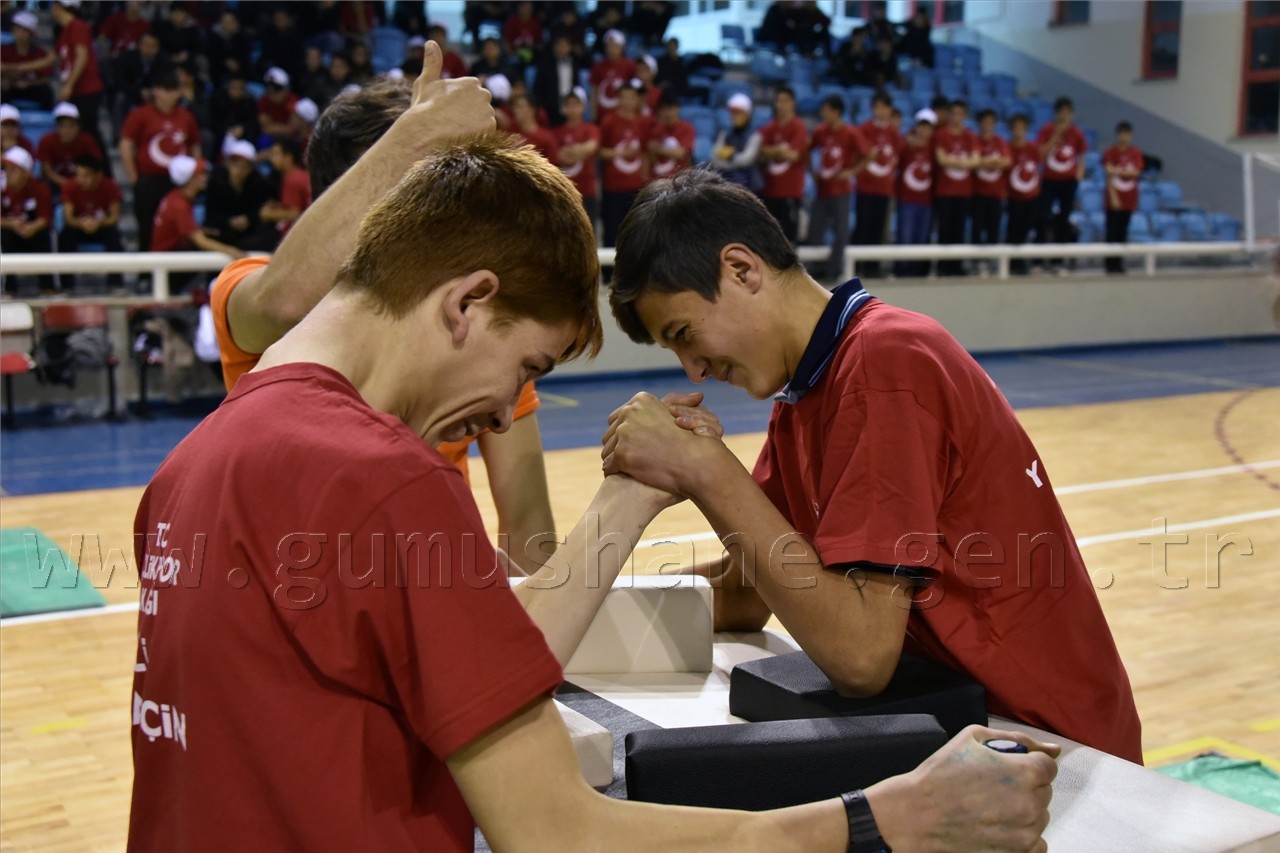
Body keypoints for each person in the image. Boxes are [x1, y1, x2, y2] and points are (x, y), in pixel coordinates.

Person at [131, 130, 1059, 853]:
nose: (506, 407)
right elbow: (559, 829)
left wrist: (630, 503)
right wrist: (877, 818)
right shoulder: (384, 479)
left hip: (1033, 727)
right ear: (467, 302)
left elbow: (456, 650)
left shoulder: (191, 463)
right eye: (527, 365)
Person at [604, 167, 1143, 763]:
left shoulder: (887, 360)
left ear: (741, 269)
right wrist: (573, 606)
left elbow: (861, 656)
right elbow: (745, 594)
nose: (693, 371)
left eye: (684, 334)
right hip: (971, 727)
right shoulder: (808, 392)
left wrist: (706, 470)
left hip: (1054, 747)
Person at [210, 48, 559, 569]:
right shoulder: (249, 287)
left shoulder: (478, 319)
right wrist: (418, 133)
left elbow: (529, 525)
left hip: (433, 593)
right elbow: (283, 303)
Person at [119, 71, 200, 253]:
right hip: (149, 180)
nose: (169, 95)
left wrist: (194, 175)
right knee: (146, 227)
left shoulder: (186, 117)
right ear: (156, 91)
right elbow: (126, 144)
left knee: (178, 229)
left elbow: (195, 145)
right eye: (165, 90)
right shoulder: (140, 114)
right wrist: (133, 177)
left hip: (178, 182)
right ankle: (145, 275)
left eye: (173, 90)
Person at [808, 94, 868, 283]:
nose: (823, 114)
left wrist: (851, 172)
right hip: (823, 189)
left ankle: (834, 270)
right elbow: (806, 150)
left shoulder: (850, 132)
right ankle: (814, 269)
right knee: (815, 229)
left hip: (842, 190)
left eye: (826, 110)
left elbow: (869, 154)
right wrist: (812, 171)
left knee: (841, 232)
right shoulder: (820, 131)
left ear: (836, 112)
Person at [150, 155, 245, 264]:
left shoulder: (176, 197)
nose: (205, 177)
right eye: (201, 174)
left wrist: (203, 230)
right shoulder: (178, 204)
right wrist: (231, 251)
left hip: (173, 254)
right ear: (191, 179)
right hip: (167, 260)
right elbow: (200, 241)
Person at [57, 154, 124, 290]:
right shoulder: (70, 186)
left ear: (98, 175)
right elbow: (69, 218)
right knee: (65, 236)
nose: (81, 180)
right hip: (78, 226)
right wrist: (82, 223)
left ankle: (116, 285)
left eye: (86, 175)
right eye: (78, 175)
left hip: (102, 226)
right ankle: (66, 285)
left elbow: (114, 217)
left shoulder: (110, 186)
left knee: (114, 238)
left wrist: (98, 223)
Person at [853, 91, 902, 278]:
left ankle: (873, 268)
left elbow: (896, 155)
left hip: (884, 189)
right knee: (863, 226)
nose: (881, 111)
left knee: (878, 228)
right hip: (865, 187)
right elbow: (861, 153)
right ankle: (857, 267)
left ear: (889, 110)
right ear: (873, 108)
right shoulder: (865, 129)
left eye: (885, 107)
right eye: (878, 107)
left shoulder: (893, 133)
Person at [1036, 97, 1087, 270]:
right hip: (1049, 180)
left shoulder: (1077, 133)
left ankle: (1058, 260)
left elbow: (1081, 156)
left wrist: (1078, 174)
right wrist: (1056, 135)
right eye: (1062, 112)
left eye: (1068, 112)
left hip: (1068, 181)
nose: (1065, 116)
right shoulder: (1047, 130)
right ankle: (1039, 259)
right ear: (1056, 113)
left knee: (1063, 220)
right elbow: (1040, 155)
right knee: (1042, 218)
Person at [51, 1, 106, 154]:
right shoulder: (66, 30)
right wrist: (15, 68)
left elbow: (82, 57)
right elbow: (52, 58)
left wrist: (69, 84)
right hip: (77, 90)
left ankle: (103, 169)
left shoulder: (77, 26)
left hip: (87, 89)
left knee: (89, 132)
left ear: (57, 7)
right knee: (82, 133)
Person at [598, 82, 649, 247]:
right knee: (611, 233)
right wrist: (620, 153)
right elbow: (599, 152)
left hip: (635, 188)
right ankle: (607, 273)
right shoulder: (609, 121)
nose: (627, 101)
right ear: (618, 99)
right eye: (624, 97)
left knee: (634, 233)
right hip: (612, 187)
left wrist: (645, 182)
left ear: (637, 100)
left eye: (631, 97)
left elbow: (646, 152)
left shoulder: (643, 122)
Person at [933, 99, 978, 276]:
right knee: (945, 229)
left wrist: (955, 162)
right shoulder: (941, 135)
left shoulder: (970, 136)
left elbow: (975, 161)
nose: (956, 117)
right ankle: (942, 266)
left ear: (965, 116)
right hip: (945, 190)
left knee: (959, 230)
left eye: (960, 113)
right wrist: (962, 162)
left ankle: (956, 266)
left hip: (964, 191)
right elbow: (942, 159)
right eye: (954, 113)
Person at [1, 146, 54, 295]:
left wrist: (31, 228)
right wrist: (11, 224)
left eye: (13, 170)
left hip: (34, 231)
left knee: (45, 236)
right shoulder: (2, 188)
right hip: (12, 232)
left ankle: (48, 287)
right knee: (4, 236)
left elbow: (45, 218)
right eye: (6, 169)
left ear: (26, 172)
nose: (8, 174)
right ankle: (9, 289)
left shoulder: (40, 188)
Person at [758, 87, 809, 243]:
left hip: (791, 191)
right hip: (770, 190)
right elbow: (760, 153)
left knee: (789, 239)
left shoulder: (799, 127)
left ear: (793, 103)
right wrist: (780, 149)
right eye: (778, 101)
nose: (781, 105)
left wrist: (770, 151)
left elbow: (793, 155)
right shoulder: (769, 127)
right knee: (770, 239)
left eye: (785, 101)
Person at [205, 139, 273, 252]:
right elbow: (211, 213)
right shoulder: (216, 180)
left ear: (250, 167)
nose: (237, 167)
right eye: (234, 162)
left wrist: (248, 219)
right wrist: (229, 221)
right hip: (223, 230)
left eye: (243, 164)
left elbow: (260, 210)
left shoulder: (258, 183)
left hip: (249, 232)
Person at [553, 87, 601, 231]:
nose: (572, 109)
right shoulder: (556, 132)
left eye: (576, 104)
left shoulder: (591, 129)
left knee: (589, 232)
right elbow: (557, 156)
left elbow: (591, 148)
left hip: (587, 190)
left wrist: (569, 152)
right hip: (565, 191)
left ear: (583, 107)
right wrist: (579, 151)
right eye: (568, 105)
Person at [895, 109, 936, 278]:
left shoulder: (933, 149)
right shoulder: (906, 145)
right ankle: (902, 271)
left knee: (921, 237)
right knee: (906, 236)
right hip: (908, 199)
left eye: (927, 127)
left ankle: (917, 272)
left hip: (926, 201)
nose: (923, 130)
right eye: (921, 126)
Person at [972, 108, 1012, 274]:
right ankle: (976, 261)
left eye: (991, 122)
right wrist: (989, 161)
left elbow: (1007, 161)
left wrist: (987, 162)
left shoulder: (1000, 142)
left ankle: (991, 261)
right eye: (985, 122)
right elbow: (973, 161)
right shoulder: (975, 141)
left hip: (995, 194)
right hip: (978, 192)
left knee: (993, 228)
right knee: (977, 227)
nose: (988, 125)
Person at [1102, 121, 1145, 275]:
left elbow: (1136, 173)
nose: (1124, 136)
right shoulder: (1111, 152)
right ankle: (1109, 264)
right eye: (1122, 133)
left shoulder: (1135, 153)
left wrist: (1118, 170)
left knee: (1122, 232)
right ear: (1117, 134)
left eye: (1127, 133)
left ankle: (1119, 263)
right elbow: (1108, 172)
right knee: (1111, 232)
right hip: (1114, 198)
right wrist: (1113, 197)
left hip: (1129, 198)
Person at [1004, 114, 1043, 275]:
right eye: (1016, 128)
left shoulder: (1032, 148)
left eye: (1022, 128)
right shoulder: (1007, 148)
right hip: (1013, 196)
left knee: (1027, 229)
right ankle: (1011, 262)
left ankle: (1023, 261)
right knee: (1014, 229)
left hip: (1031, 196)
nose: (1019, 131)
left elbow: (1036, 169)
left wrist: (1035, 189)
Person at [34, 102, 101, 194]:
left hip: (83, 184)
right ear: (56, 127)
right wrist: (67, 184)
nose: (66, 130)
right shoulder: (47, 141)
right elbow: (47, 170)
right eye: (62, 126)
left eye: (71, 126)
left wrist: (78, 183)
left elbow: (95, 168)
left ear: (78, 127)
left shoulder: (87, 141)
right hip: (55, 185)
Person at [1, 11, 55, 110]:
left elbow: (46, 78)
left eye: (24, 30)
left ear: (31, 33)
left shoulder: (40, 53)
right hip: (10, 86)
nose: (20, 33)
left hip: (31, 87)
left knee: (46, 92)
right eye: (17, 29)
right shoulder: (3, 50)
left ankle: (47, 119)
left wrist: (29, 84)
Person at [260, 136, 311, 238]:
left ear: (288, 157)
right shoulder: (302, 174)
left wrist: (269, 214)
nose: (272, 158)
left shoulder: (292, 178)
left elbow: (294, 214)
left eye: (275, 154)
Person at [707, 93, 761, 189]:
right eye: (733, 113)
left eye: (738, 113)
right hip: (725, 179)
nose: (734, 116)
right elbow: (714, 157)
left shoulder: (755, 135)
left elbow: (746, 159)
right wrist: (732, 161)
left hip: (748, 183)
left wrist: (730, 156)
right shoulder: (724, 134)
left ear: (747, 114)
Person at [535, 34, 585, 127]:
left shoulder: (575, 63)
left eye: (565, 46)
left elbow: (577, 85)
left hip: (570, 108)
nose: (561, 49)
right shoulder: (545, 65)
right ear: (554, 47)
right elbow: (538, 88)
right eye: (559, 45)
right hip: (551, 109)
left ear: (570, 47)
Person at [645, 92, 695, 181]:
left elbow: (681, 153)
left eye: (671, 108)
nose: (668, 113)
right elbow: (649, 157)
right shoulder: (654, 130)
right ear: (659, 111)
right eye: (664, 109)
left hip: (680, 180)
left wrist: (659, 149)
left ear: (678, 109)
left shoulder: (687, 128)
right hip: (657, 180)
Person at [590, 29, 635, 123]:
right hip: (602, 114)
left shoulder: (630, 66)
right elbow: (594, 90)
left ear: (621, 48)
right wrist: (593, 113)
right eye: (609, 46)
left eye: (615, 46)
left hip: (622, 114)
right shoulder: (598, 66)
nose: (611, 49)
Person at [258, 67, 301, 144]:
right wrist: (282, 128)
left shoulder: (293, 101)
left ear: (286, 89)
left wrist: (275, 127)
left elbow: (293, 129)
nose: (272, 94)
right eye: (268, 89)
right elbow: (265, 128)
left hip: (291, 139)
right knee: (263, 140)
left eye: (276, 89)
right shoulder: (264, 100)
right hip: (272, 138)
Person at [509, 94, 558, 161]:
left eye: (519, 107)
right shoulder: (510, 134)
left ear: (532, 109)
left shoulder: (546, 138)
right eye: (514, 107)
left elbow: (553, 163)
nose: (515, 110)